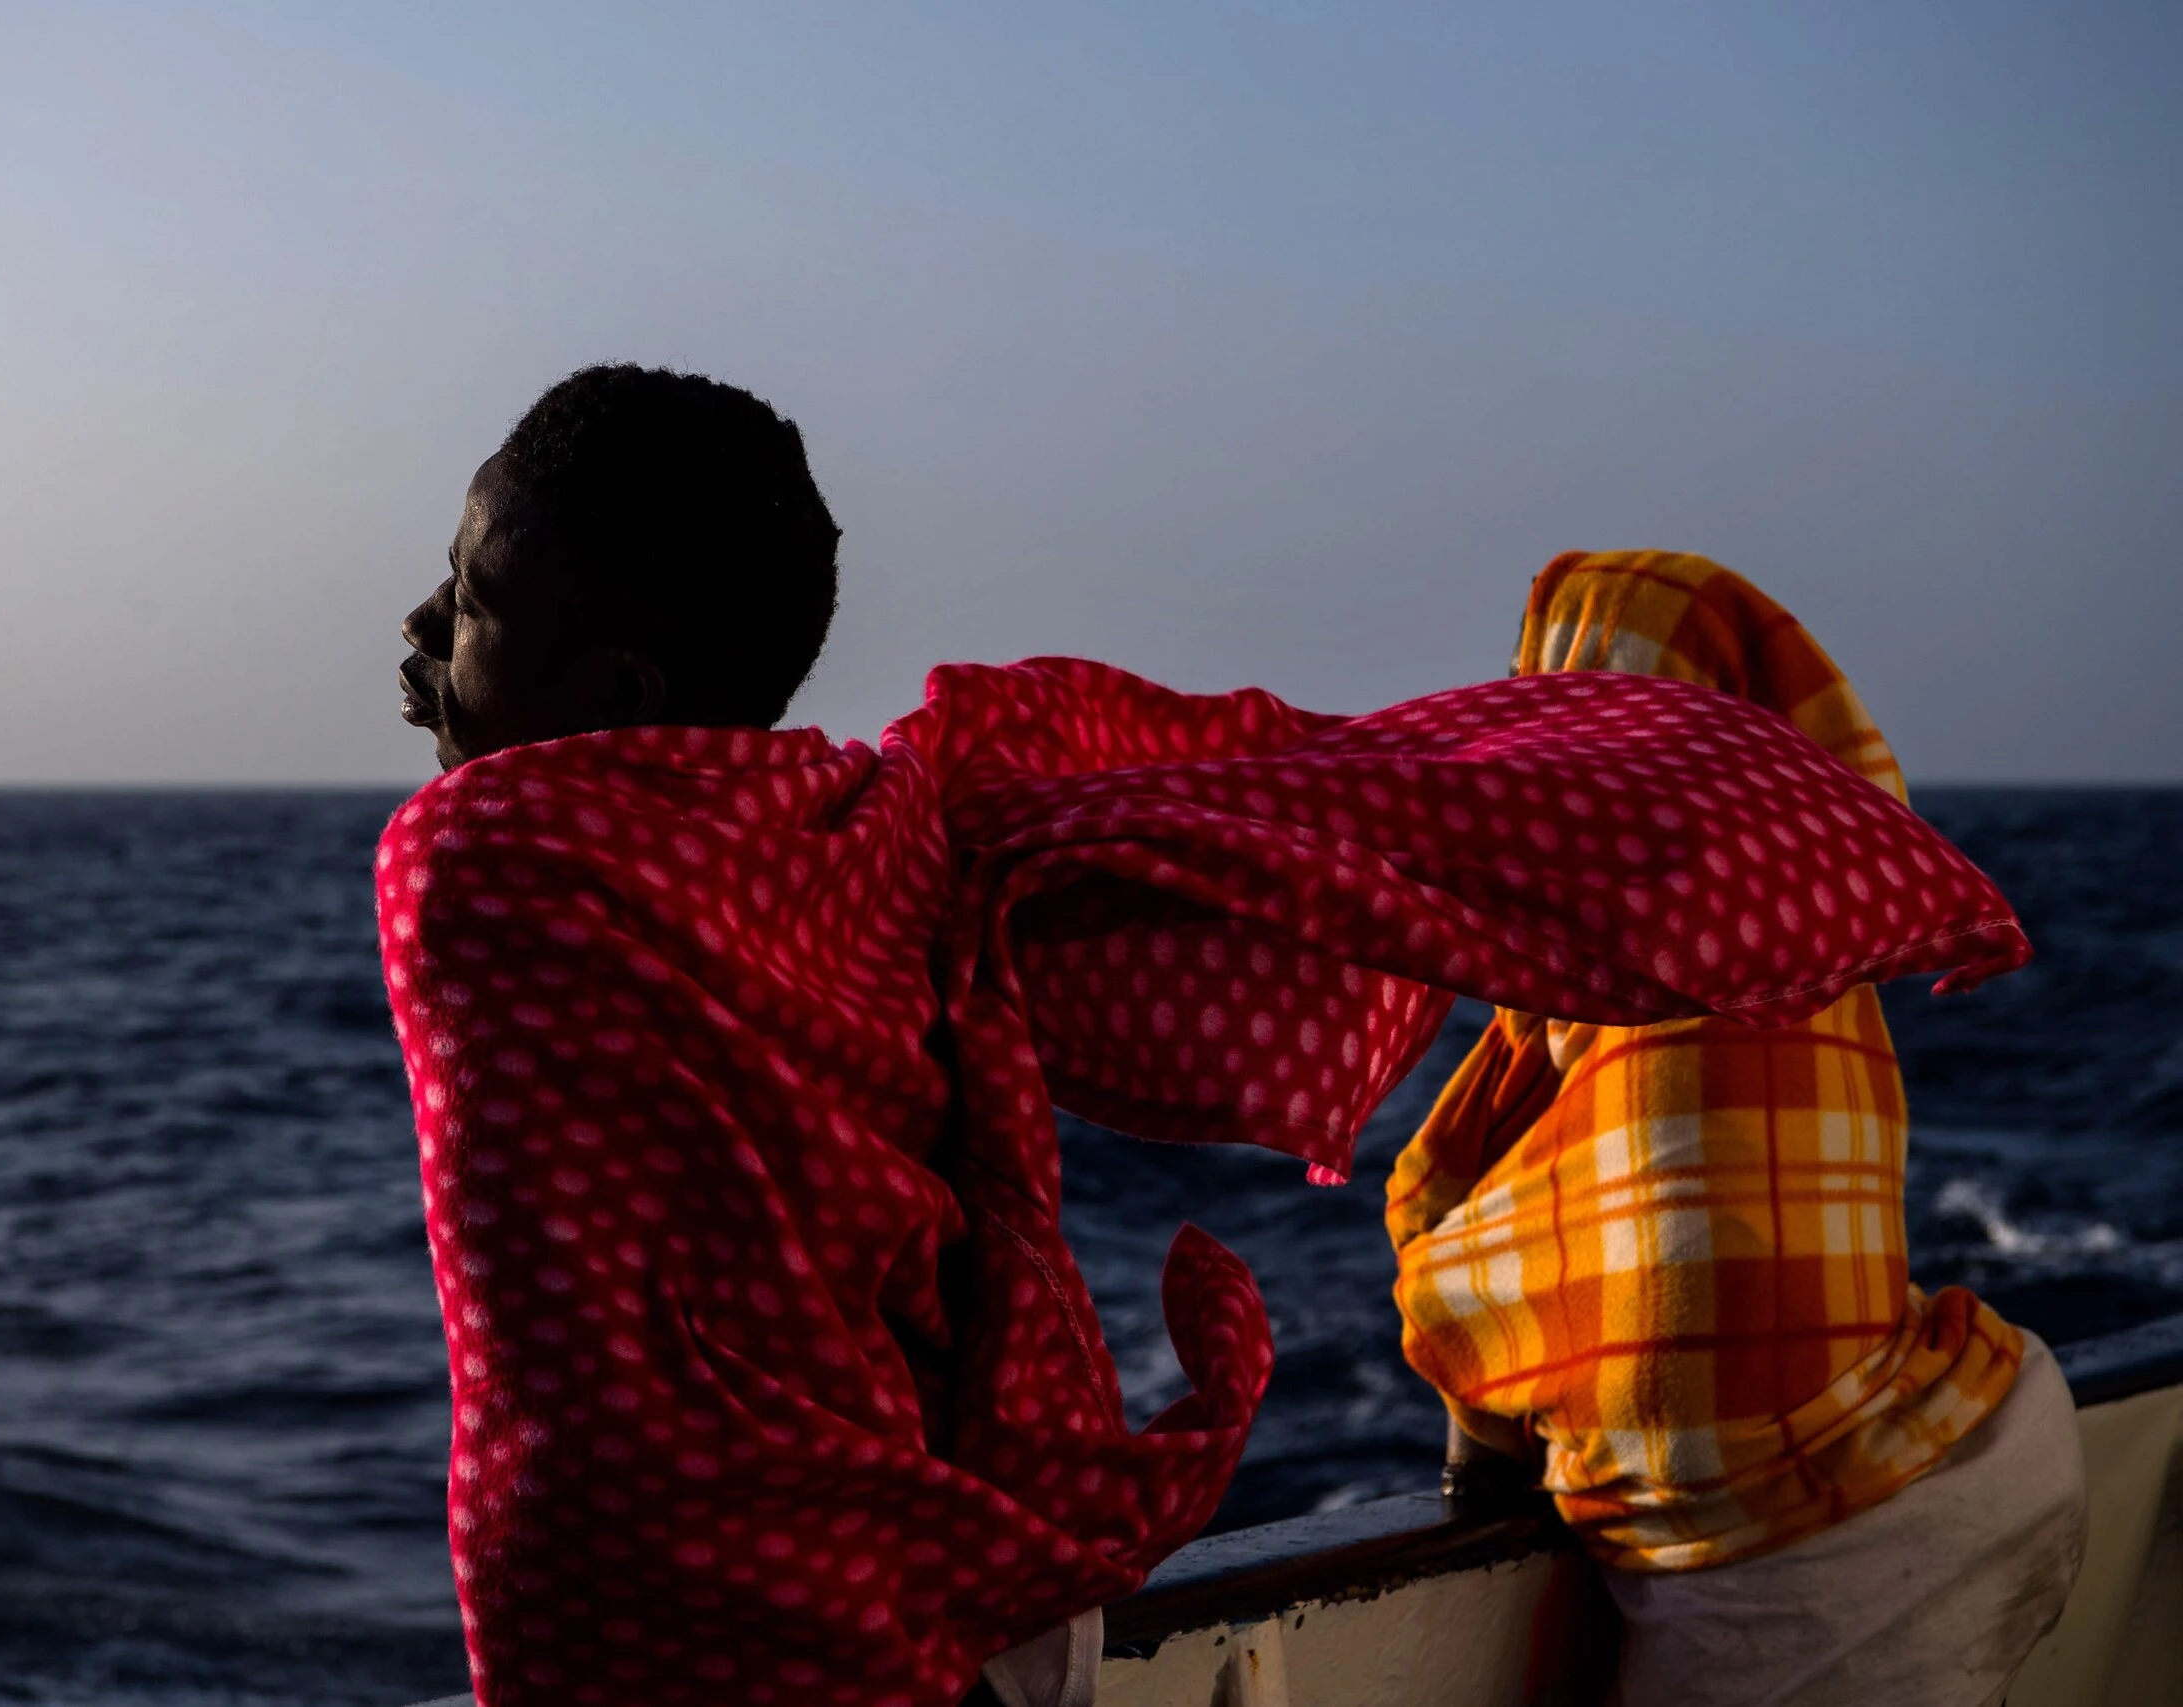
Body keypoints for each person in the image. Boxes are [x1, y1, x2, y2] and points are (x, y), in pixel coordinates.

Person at [382, 368, 2032, 1707]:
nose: (422, 628)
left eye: (469, 604)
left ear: (619, 688)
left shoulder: (476, 862)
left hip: (704, 1629)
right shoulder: (879, 834)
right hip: (921, 1582)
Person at [1387, 552, 2087, 1707]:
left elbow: (1458, 1240)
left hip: (1804, 1554)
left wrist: (1474, 1424)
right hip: (1985, 1438)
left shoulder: (1575, 981)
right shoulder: (1812, 941)